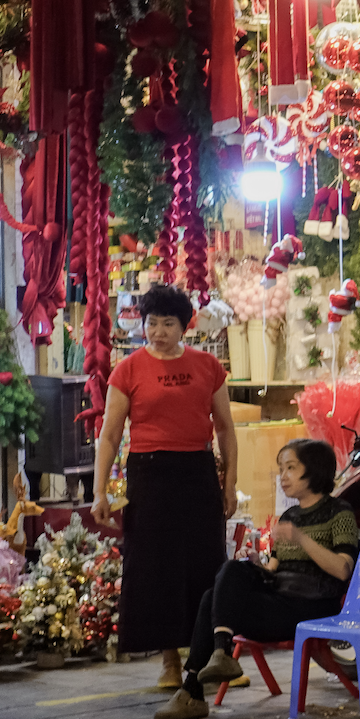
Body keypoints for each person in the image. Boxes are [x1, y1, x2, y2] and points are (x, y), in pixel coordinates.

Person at [91, 283, 236, 691]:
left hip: (198, 470)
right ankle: (169, 661)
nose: (157, 332)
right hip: (149, 474)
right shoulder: (129, 369)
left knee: (206, 562)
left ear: (184, 325)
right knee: (155, 567)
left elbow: (224, 427)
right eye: (151, 323)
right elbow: (110, 434)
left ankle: (209, 658)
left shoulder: (208, 366)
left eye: (167, 323)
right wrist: (100, 490)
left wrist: (230, 482)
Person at [154, 439, 360, 719]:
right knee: (227, 576)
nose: (283, 476)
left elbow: (342, 569)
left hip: (312, 605)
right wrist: (255, 564)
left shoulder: (340, 513)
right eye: (281, 468)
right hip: (279, 598)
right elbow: (273, 568)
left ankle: (196, 687)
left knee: (212, 596)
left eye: (291, 468)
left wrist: (300, 538)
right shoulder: (290, 515)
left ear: (313, 470)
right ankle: (217, 658)